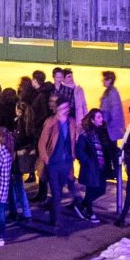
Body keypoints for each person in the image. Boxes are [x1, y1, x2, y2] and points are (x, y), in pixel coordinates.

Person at [36, 98, 78, 228]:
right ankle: (55, 219)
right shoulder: (51, 122)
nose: (66, 110)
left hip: (66, 162)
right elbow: (42, 143)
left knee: (59, 190)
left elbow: (73, 140)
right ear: (58, 109)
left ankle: (53, 213)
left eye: (67, 107)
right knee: (56, 192)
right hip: (53, 162)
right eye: (63, 108)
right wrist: (46, 160)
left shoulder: (71, 122)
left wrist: (72, 156)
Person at [73, 108, 107, 222]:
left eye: (101, 117)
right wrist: (88, 162)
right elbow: (79, 151)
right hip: (92, 168)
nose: (101, 119)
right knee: (91, 189)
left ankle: (82, 205)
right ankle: (89, 210)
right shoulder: (86, 135)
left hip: (101, 167)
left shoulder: (101, 132)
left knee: (101, 190)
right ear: (92, 120)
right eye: (98, 117)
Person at [98, 71, 126, 182]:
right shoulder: (109, 91)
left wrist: (106, 123)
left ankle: (115, 172)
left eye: (104, 79)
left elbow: (115, 111)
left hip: (110, 128)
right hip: (108, 126)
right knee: (108, 150)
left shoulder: (112, 93)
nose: (102, 81)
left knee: (111, 150)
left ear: (109, 80)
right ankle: (110, 171)